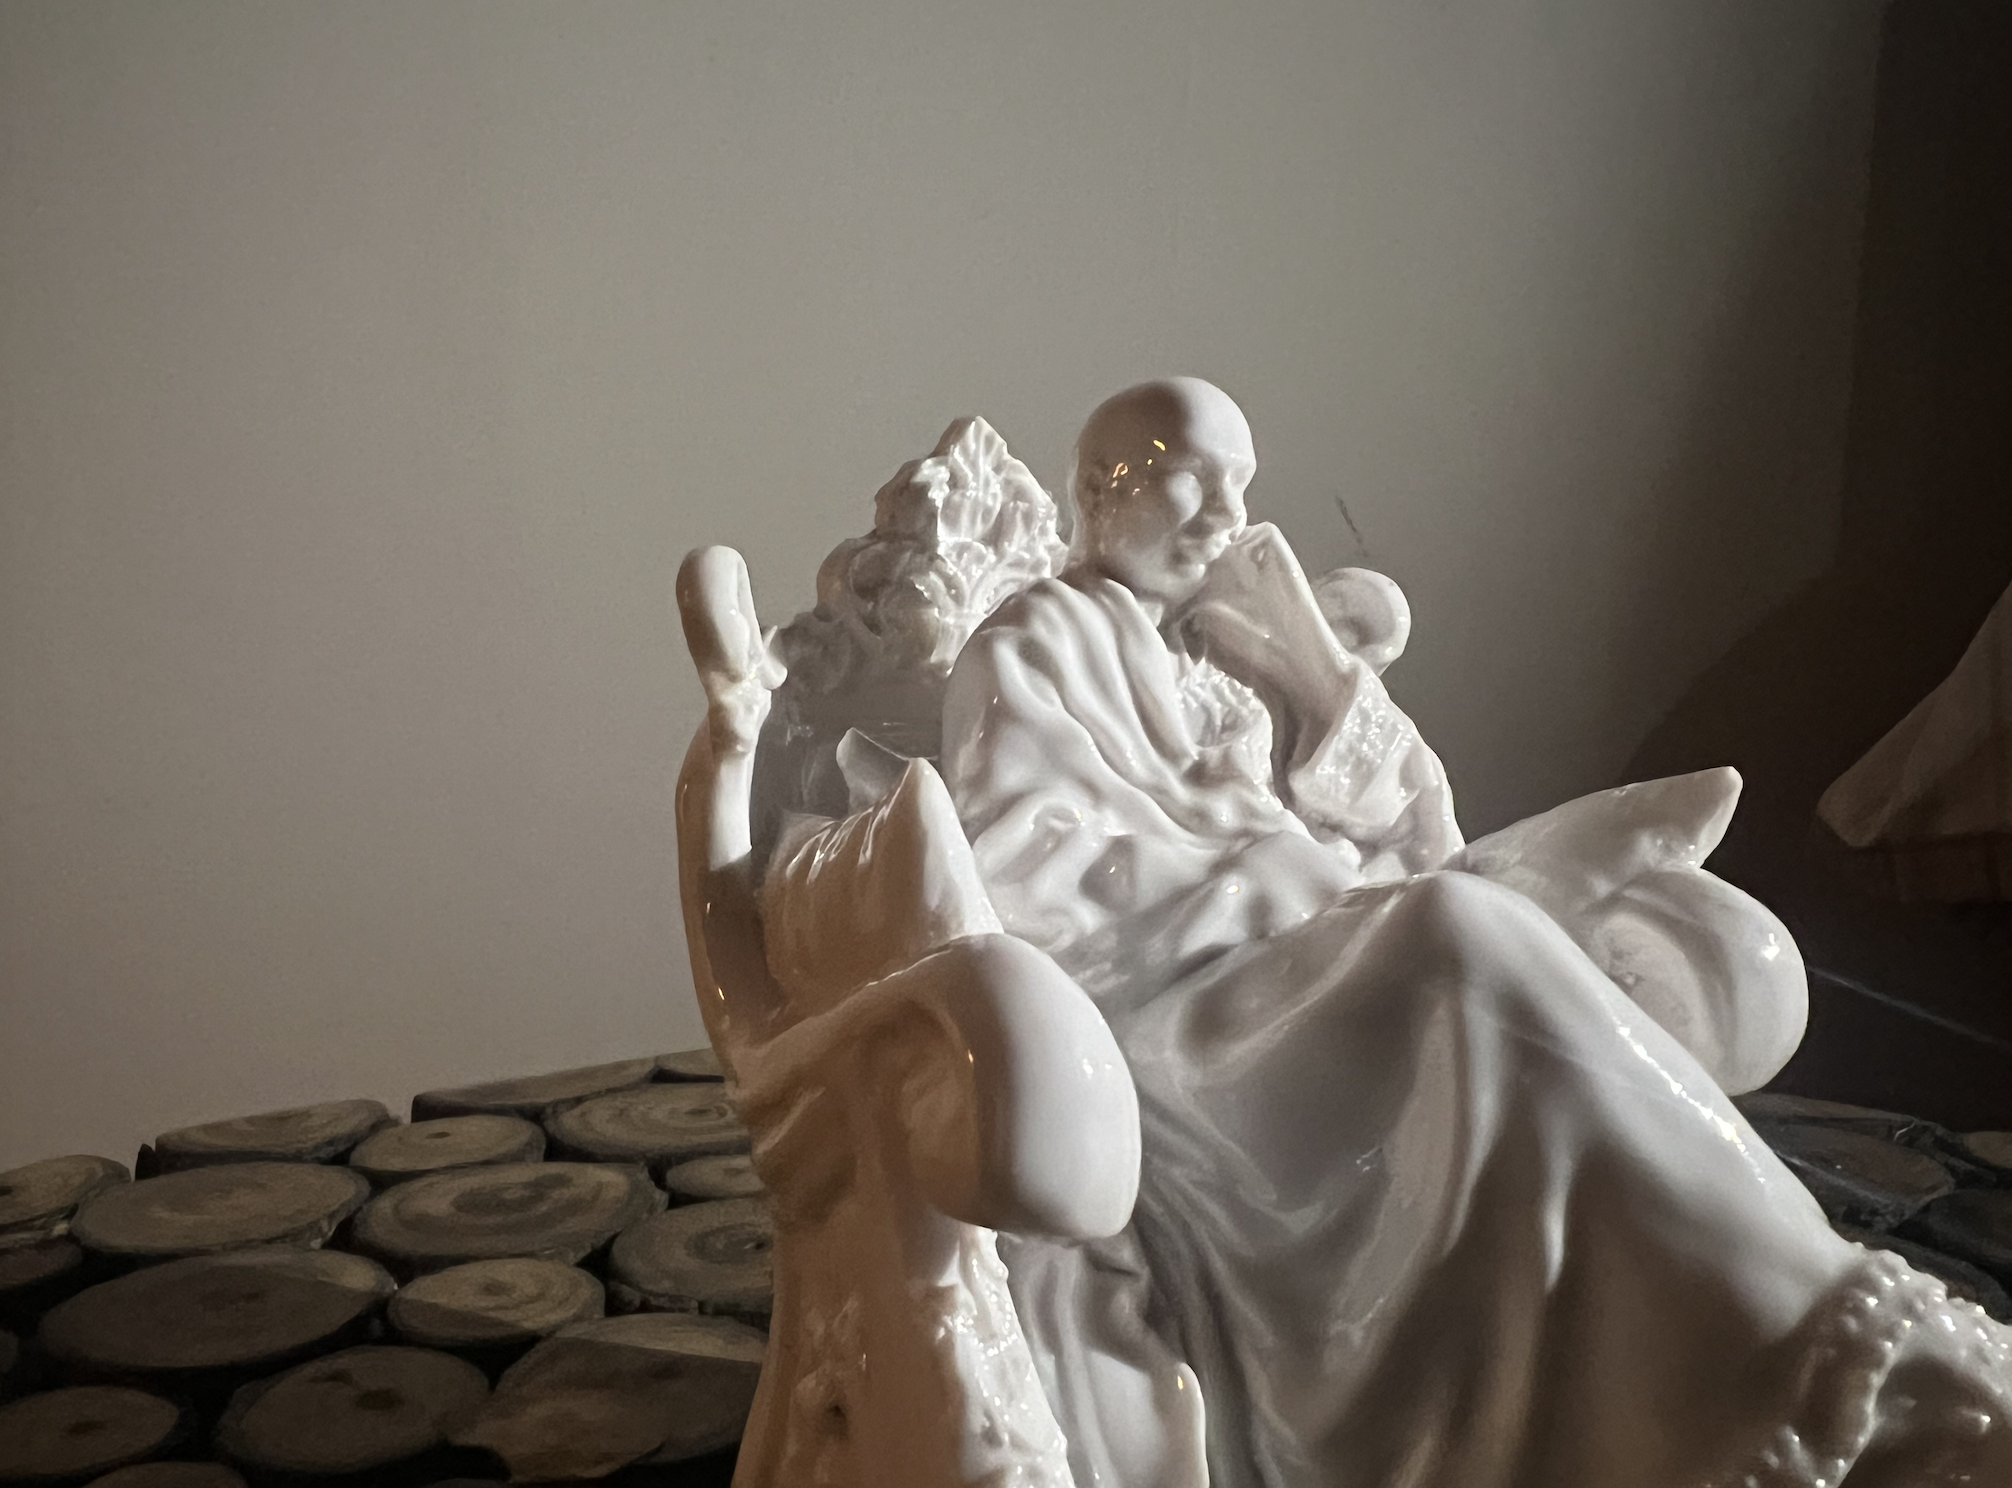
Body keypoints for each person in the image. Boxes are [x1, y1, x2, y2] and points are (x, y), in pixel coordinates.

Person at [936, 378, 2012, 1488]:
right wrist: (1281, 881)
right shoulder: (1029, 643)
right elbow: (1031, 868)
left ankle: (1778, 1346)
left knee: (1492, 961)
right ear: (1098, 494)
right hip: (1169, 1004)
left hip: (1317, 953)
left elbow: (1418, 824)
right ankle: (1811, 1363)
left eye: (1238, 485)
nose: (1224, 514)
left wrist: (1311, 667)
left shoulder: (1228, 651)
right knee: (1454, 935)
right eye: (1188, 481)